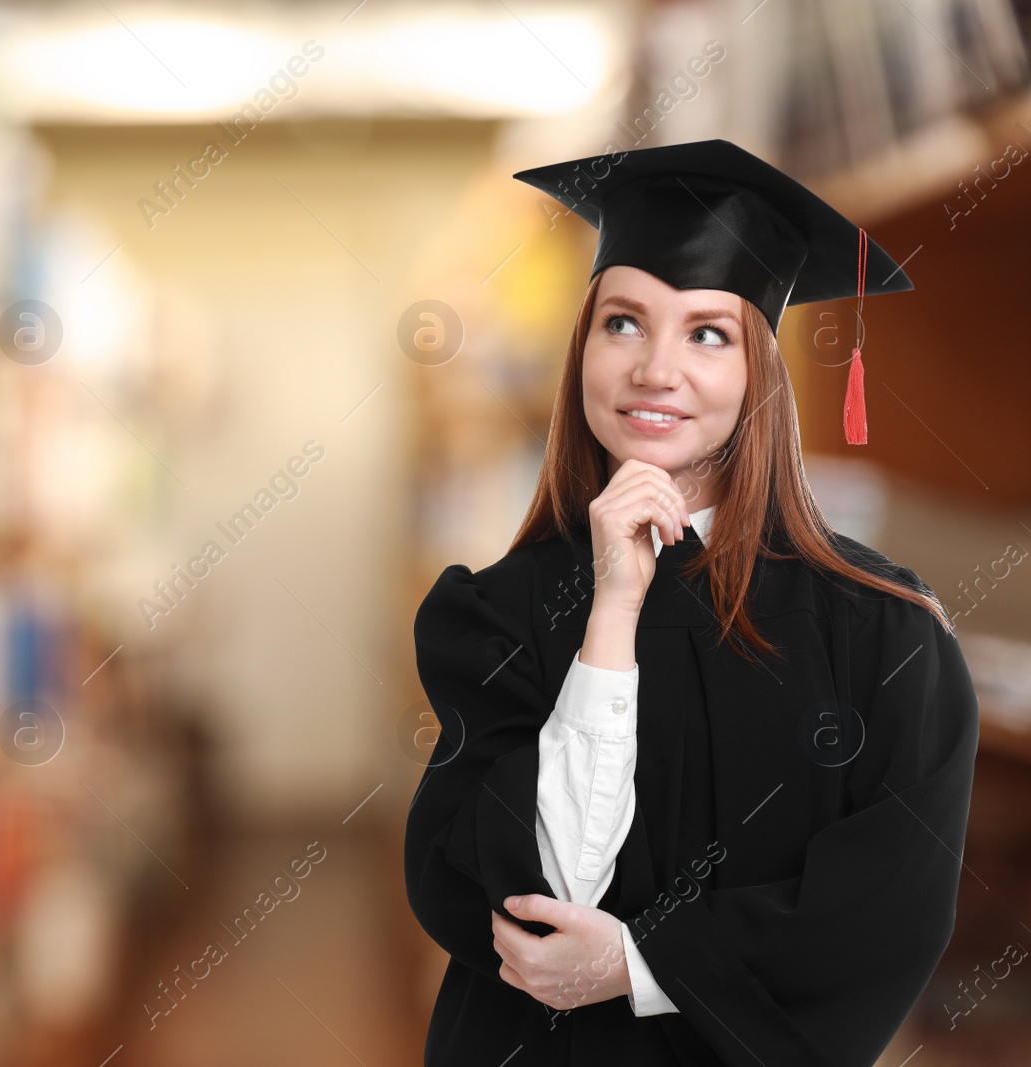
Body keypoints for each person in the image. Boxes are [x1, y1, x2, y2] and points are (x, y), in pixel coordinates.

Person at [403, 139, 980, 1066]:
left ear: (761, 372)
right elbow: (530, 894)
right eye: (623, 323)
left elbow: (888, 911)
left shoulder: (884, 634)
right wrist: (611, 613)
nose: (655, 369)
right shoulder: (496, 616)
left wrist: (637, 963)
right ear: (581, 347)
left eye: (707, 332)